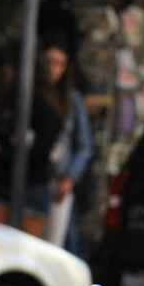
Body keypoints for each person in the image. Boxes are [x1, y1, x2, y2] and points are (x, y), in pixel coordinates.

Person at [0, 46, 61, 238]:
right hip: (2, 183)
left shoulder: (43, 108)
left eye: (10, 65)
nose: (6, 70)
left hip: (32, 187)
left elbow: (41, 152)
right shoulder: (7, 102)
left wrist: (2, 156)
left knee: (26, 252)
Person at [42, 31, 93, 253]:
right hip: (35, 179)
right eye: (50, 62)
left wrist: (69, 177)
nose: (54, 69)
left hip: (59, 181)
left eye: (60, 64)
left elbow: (85, 145)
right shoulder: (31, 94)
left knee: (61, 244)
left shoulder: (72, 100)